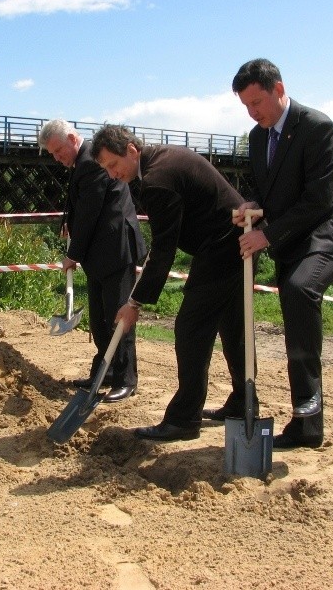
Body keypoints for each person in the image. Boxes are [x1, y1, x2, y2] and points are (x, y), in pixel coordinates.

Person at [211, 58, 333, 448]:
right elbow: (268, 189)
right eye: (245, 105)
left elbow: (318, 200)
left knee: (298, 290)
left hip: (328, 232)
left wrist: (267, 235)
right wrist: (251, 206)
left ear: (278, 89)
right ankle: (306, 424)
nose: (252, 111)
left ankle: (308, 415)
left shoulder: (317, 128)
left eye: (257, 102)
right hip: (293, 240)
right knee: (293, 308)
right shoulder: (258, 137)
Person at [91, 124, 248, 441]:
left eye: (113, 164)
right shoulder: (162, 160)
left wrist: (134, 303)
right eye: (106, 169)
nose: (112, 174)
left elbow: (163, 248)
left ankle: (183, 419)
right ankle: (243, 403)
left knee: (191, 329)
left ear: (131, 150)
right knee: (232, 326)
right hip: (235, 243)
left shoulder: (156, 180)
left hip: (223, 248)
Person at [39, 119, 146, 402]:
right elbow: (78, 205)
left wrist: (72, 254)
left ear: (73, 139)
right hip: (100, 254)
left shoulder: (91, 163)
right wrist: (68, 223)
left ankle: (126, 380)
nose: (57, 157)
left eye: (59, 150)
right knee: (100, 320)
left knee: (118, 318)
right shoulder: (83, 163)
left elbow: (90, 211)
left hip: (116, 250)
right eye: (52, 154)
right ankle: (106, 372)